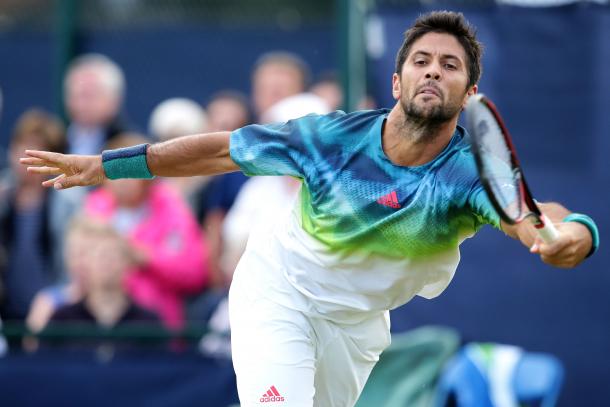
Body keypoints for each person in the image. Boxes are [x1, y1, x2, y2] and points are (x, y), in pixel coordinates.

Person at [21, 11, 598, 407]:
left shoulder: (469, 174)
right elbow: (222, 149)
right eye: (422, 61)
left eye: (450, 66)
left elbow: (531, 213)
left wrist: (575, 232)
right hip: (279, 291)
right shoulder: (328, 138)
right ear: (397, 82)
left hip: (358, 328)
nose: (433, 71)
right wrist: (107, 165)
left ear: (469, 96)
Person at [83, 133, 210, 330]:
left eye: (130, 173)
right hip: (98, 320)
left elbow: (195, 271)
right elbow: (75, 264)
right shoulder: (93, 209)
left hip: (156, 325)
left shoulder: (173, 210)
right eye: (115, 173)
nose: (122, 181)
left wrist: (146, 257)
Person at [44, 217, 160, 352]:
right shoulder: (62, 320)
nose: (106, 263)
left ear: (127, 263)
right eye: (99, 255)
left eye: (113, 255)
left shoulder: (149, 322)